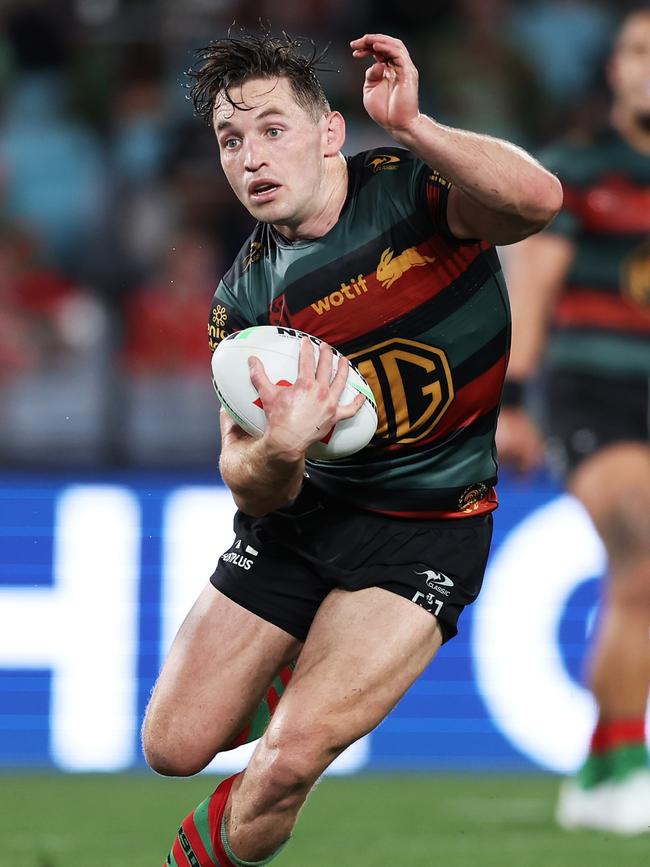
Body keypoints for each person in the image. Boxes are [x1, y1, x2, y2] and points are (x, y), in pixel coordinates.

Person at [141, 30, 561, 866]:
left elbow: (537, 203)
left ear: (330, 130)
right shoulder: (245, 299)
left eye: (271, 129)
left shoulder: (412, 190)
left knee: (285, 764)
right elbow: (246, 482)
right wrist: (282, 451)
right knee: (172, 745)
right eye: (231, 141)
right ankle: (294, 664)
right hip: (305, 521)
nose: (251, 157)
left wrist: (416, 126)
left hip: (427, 530)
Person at [497, 9, 650, 836]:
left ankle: (600, 768)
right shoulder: (576, 173)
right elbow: (533, 297)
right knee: (646, 557)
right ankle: (625, 764)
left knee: (642, 584)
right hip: (598, 403)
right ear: (614, 71)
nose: (648, 65)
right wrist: (514, 406)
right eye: (636, 51)